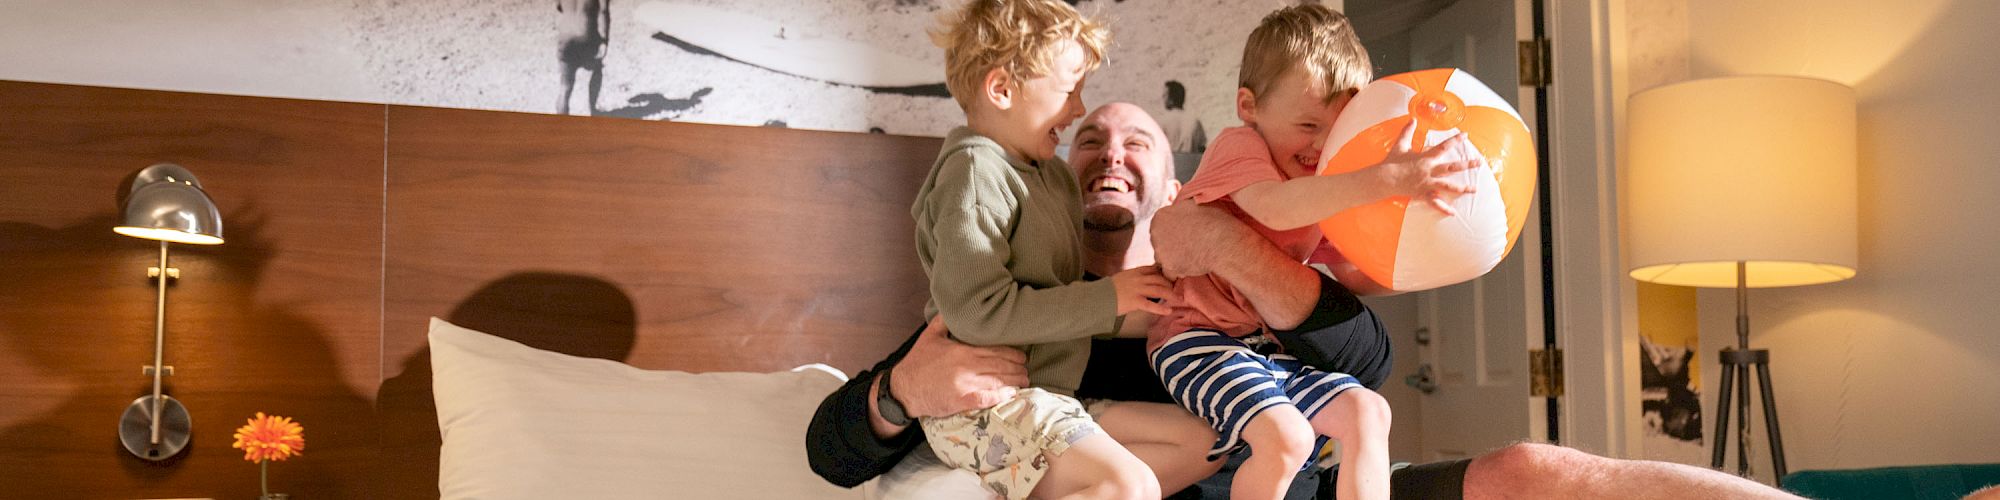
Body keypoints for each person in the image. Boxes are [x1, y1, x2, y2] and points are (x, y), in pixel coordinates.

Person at [806, 101, 1805, 500]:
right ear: (1055, 183)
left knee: (1534, 465)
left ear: (1173, 181)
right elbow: (830, 444)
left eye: (1136, 144)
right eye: (1087, 144)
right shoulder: (1003, 293)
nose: (1111, 154)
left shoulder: (1227, 258)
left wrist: (1230, 254)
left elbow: (1362, 358)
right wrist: (898, 388)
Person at [1144, 6, 1478, 500]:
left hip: (1260, 350)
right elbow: (1274, 209)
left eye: (1337, 130)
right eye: (1307, 125)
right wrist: (1386, 178)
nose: (1322, 146)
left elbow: (1356, 273)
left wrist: (1442, 256)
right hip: (1194, 338)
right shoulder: (1240, 148)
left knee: (1370, 412)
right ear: (1249, 106)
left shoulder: (1318, 189)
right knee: (1288, 438)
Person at [904, 1, 1171, 498]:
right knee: (1130, 483)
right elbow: (979, 315)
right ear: (1002, 89)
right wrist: (1109, 298)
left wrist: (1174, 307)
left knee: (1205, 440)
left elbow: (1065, 301)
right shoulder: (973, 173)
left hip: (1049, 396)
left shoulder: (1050, 178)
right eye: (1071, 91)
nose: (1078, 108)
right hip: (985, 407)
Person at [556, 0, 609, 115]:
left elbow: (560, 8)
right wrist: (604, 39)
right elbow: (604, 11)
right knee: (597, 68)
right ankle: (593, 110)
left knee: (565, 86)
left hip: (565, 37)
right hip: (587, 35)